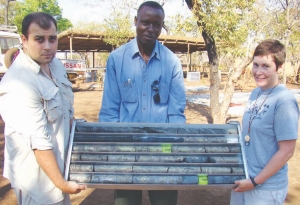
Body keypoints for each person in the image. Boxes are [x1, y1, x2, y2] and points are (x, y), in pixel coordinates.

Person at [99, 1, 186, 205]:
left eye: (157, 24)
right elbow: (110, 111)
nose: (151, 29)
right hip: (126, 150)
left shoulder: (172, 62)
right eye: (145, 22)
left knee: (164, 202)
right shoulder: (116, 59)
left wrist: (172, 152)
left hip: (162, 151)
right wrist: (113, 152)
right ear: (136, 21)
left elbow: (176, 113)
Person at [0, 12, 86, 205]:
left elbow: (66, 113)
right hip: (37, 181)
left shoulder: (55, 65)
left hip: (59, 168)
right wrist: (62, 184)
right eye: (39, 39)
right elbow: (39, 143)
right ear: (24, 40)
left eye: (52, 39)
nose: (47, 46)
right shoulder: (19, 83)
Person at [230, 39, 299, 205]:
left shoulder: (284, 101)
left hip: (265, 188)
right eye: (255, 65)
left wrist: (255, 181)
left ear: (280, 68)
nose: (258, 71)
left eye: (266, 66)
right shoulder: (256, 93)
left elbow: (287, 151)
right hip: (244, 180)